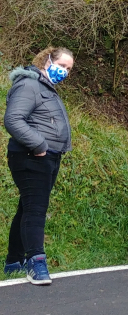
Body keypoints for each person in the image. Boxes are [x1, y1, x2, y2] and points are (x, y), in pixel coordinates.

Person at [3, 47, 74, 285]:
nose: (64, 71)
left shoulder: (45, 88)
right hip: (31, 156)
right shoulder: (29, 85)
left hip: (47, 156)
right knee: (35, 210)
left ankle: (13, 261)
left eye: (68, 69)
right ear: (47, 61)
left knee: (27, 207)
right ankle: (36, 262)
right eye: (62, 65)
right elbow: (13, 119)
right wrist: (39, 144)